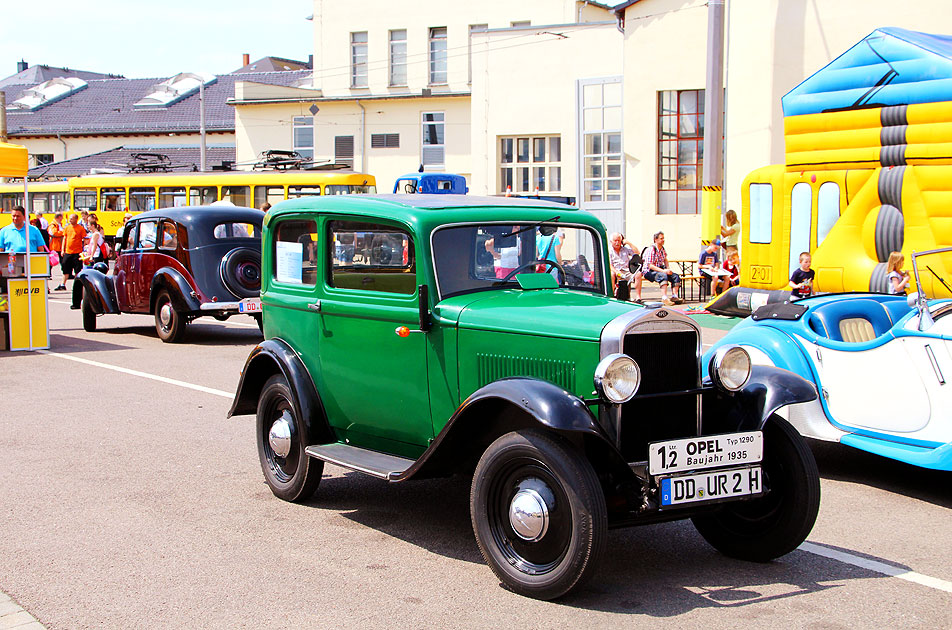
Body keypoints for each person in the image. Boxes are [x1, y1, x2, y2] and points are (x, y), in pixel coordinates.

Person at [642, 230, 682, 306]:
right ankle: (664, 298)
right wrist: (664, 271)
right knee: (663, 276)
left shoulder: (662, 249)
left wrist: (668, 268)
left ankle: (674, 296)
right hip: (649, 271)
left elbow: (665, 259)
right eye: (661, 238)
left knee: (675, 276)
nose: (663, 240)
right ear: (656, 239)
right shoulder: (651, 249)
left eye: (663, 238)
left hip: (659, 269)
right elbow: (650, 265)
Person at [608, 232, 643, 302]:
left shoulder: (625, 249)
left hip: (627, 271)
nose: (617, 243)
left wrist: (629, 243)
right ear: (611, 241)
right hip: (616, 271)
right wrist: (616, 271)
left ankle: (638, 297)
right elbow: (610, 265)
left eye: (619, 240)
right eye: (615, 241)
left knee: (638, 274)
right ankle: (611, 295)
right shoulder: (609, 251)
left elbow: (637, 252)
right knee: (611, 274)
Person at [62, 213, 87, 296]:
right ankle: (63, 284)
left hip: (77, 252)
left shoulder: (80, 228)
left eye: (72, 218)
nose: (70, 220)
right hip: (68, 251)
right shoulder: (67, 228)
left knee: (77, 269)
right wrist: (62, 250)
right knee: (65, 267)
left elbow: (85, 239)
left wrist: (85, 250)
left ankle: (77, 285)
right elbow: (64, 238)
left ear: (76, 219)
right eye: (70, 218)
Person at [48, 212, 68, 290]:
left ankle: (65, 273)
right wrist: (63, 232)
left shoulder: (59, 224)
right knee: (52, 262)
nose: (62, 218)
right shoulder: (53, 225)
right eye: (62, 217)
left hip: (59, 246)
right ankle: (48, 273)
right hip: (55, 246)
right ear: (59, 217)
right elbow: (54, 233)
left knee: (63, 261)